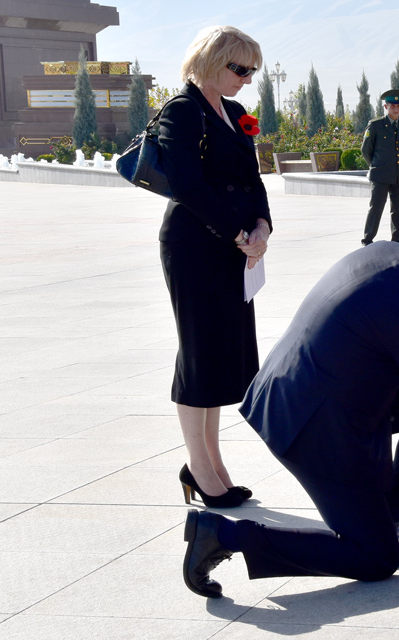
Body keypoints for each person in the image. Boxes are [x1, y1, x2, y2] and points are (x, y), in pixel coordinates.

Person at [181, 219, 399, 598]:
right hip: (311, 425)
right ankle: (222, 534)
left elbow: (369, 324)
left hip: (292, 389)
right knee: (374, 558)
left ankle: (387, 513)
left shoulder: (388, 252)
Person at [158, 25, 272, 508]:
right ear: (212, 60)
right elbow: (186, 185)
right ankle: (200, 469)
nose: (246, 79)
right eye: (239, 68)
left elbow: (254, 176)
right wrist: (236, 232)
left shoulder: (236, 113)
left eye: (252, 71)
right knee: (200, 353)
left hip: (235, 247)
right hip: (194, 246)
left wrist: (263, 226)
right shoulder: (181, 111)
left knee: (223, 355)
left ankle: (212, 464)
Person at [360, 89, 399, 246]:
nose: (395, 108)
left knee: (398, 211)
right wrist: (375, 166)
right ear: (385, 106)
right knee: (376, 208)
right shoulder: (375, 125)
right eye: (392, 105)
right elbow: (366, 150)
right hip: (380, 175)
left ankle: (398, 240)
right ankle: (367, 240)